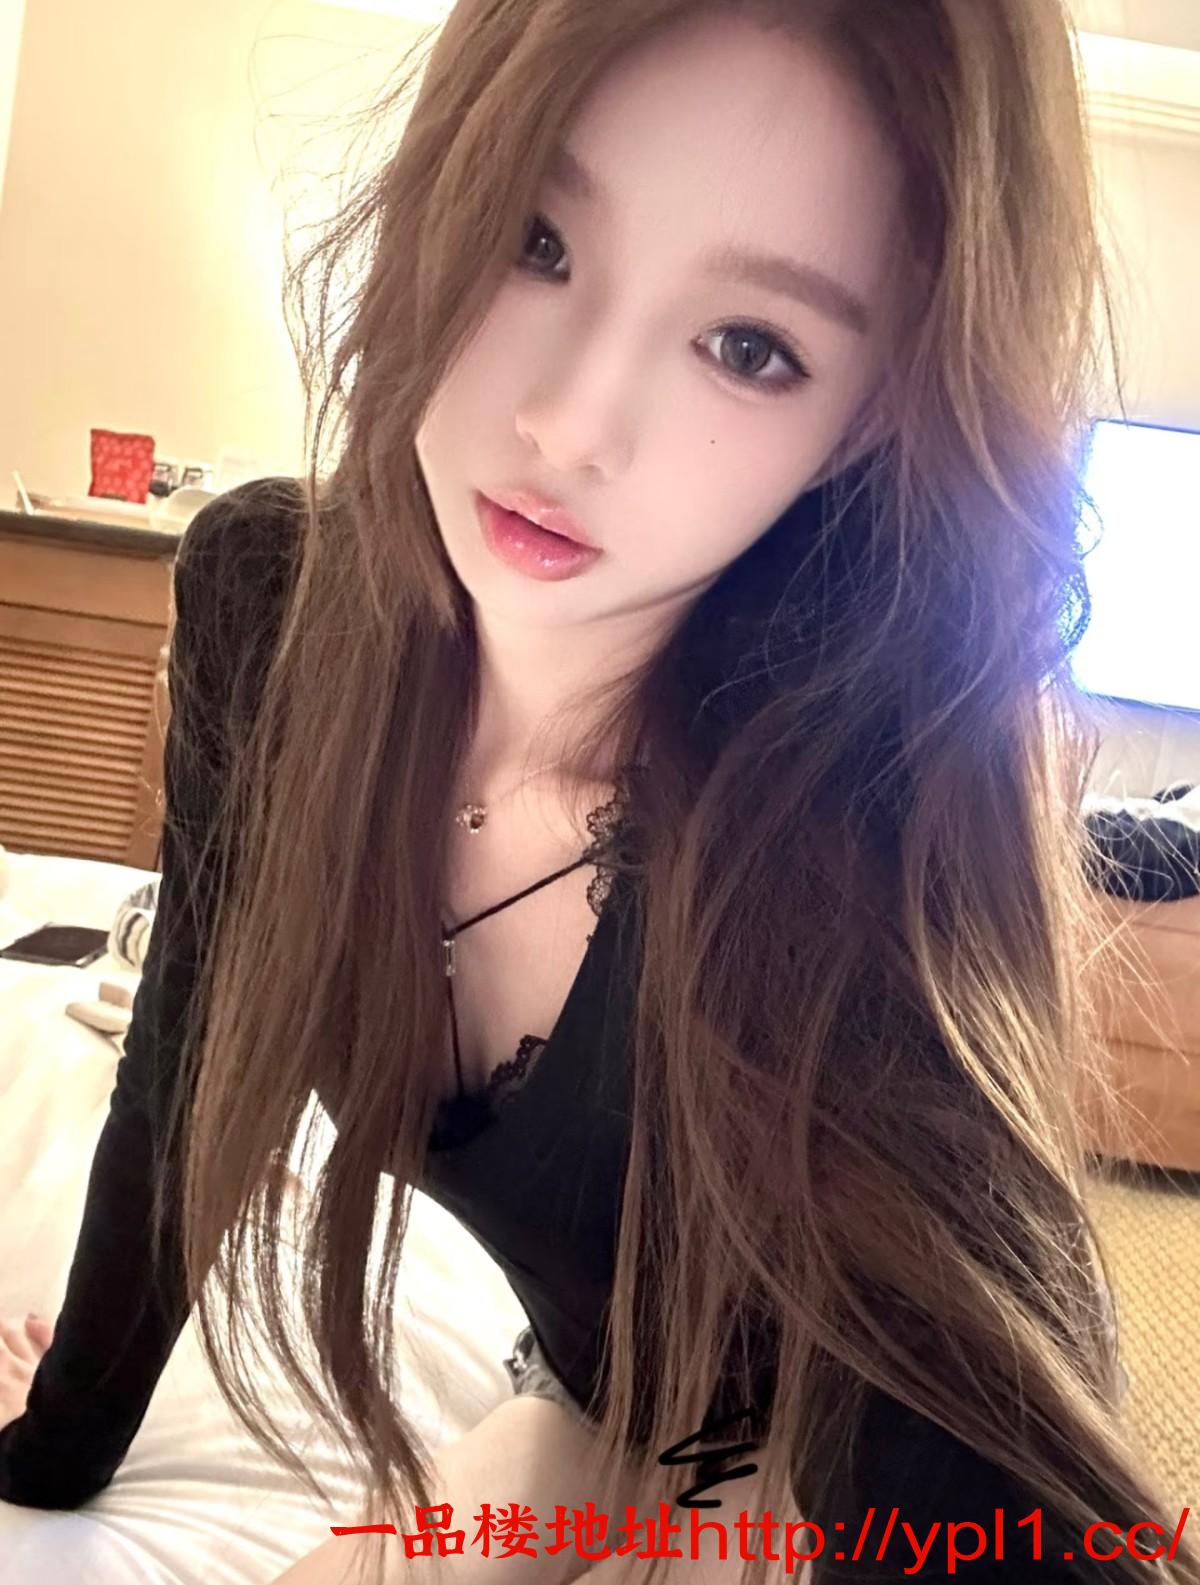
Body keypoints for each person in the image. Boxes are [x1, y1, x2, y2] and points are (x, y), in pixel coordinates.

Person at [2, 1, 1194, 1582]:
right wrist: (53, 1450)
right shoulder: (270, 614)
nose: (569, 420)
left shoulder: (846, 811)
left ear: (866, 422)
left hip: (790, 1472)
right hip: (589, 1398)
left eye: (750, 346)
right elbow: (184, 1066)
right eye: (535, 236)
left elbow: (982, 1408)